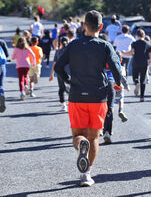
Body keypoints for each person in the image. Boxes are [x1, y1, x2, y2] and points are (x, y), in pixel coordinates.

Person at [54, 10, 122, 187]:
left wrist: (69, 81)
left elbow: (59, 67)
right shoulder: (105, 46)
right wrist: (119, 84)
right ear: (101, 26)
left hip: (77, 96)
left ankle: (80, 144)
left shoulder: (73, 45)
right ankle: (86, 174)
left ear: (84, 26)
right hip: (98, 97)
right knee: (94, 138)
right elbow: (115, 68)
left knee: (78, 136)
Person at [99, 33, 130, 144]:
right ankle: (107, 132)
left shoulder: (93, 52)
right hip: (111, 81)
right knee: (109, 107)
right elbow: (117, 69)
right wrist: (119, 83)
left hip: (97, 81)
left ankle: (98, 128)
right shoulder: (111, 51)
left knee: (97, 107)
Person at [123, 29, 151, 102]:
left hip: (136, 62)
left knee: (135, 77)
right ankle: (142, 97)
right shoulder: (148, 44)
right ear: (144, 35)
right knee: (143, 80)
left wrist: (124, 53)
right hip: (144, 62)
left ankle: (136, 83)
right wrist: (150, 61)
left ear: (137, 35)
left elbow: (131, 53)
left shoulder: (134, 43)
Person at [49, 36, 70, 111]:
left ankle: (63, 105)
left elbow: (54, 64)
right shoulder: (71, 51)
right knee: (72, 88)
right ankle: (72, 103)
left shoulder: (58, 52)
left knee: (61, 89)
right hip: (70, 72)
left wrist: (51, 74)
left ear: (60, 43)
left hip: (60, 73)